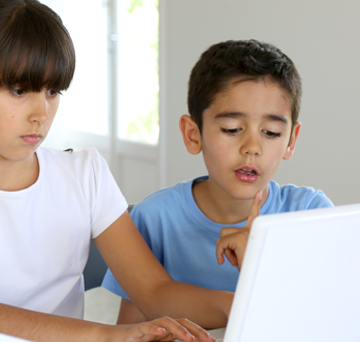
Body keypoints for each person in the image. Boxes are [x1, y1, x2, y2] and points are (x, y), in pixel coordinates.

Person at [0, 0, 231, 342]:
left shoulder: (85, 174)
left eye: (53, 91)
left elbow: (155, 292)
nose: (41, 113)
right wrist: (109, 335)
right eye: (18, 89)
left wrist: (240, 305)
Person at [101, 39, 334, 324]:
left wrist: (259, 265)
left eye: (271, 132)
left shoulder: (312, 213)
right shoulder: (154, 219)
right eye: (232, 129)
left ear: (291, 140)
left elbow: (329, 321)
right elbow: (134, 335)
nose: (252, 147)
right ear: (192, 134)